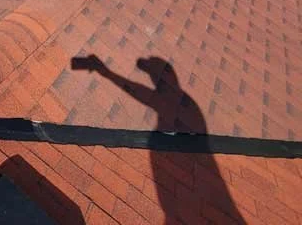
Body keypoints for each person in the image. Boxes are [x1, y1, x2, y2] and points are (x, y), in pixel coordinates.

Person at [73, 55, 247, 224]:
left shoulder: (178, 102)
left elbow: (146, 96)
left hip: (179, 191)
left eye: (154, 74)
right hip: (180, 193)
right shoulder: (185, 103)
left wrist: (107, 73)